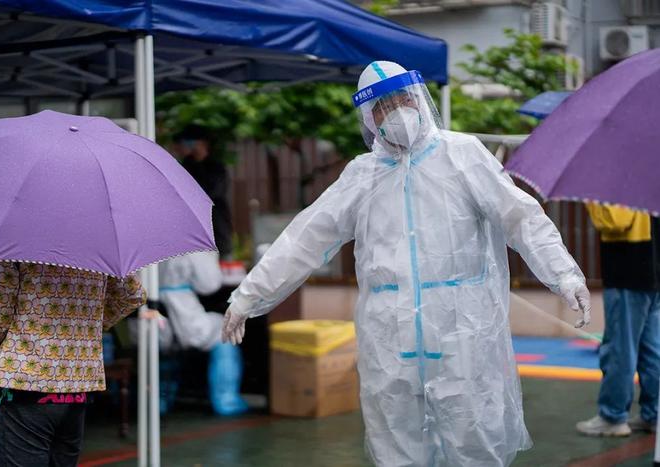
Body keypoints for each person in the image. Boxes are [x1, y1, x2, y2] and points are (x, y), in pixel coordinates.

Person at [222, 61, 591, 467]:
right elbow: (305, 239)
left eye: (402, 99)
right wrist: (247, 298)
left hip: (461, 333)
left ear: (419, 100)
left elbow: (520, 217)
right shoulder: (362, 176)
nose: (395, 111)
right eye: (382, 106)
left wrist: (564, 274)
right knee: (395, 445)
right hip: (389, 340)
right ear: (369, 118)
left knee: (474, 440)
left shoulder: (461, 155)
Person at [0, 262, 146, 467]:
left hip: (24, 378)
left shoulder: (10, 239)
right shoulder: (99, 237)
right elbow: (132, 294)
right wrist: (85, 327)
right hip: (77, 382)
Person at [576, 204, 660, 436]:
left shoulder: (622, 181)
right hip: (652, 272)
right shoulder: (650, 176)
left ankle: (613, 416)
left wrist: (592, 200)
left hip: (628, 273)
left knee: (620, 348)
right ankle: (653, 414)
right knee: (651, 349)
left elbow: (615, 220)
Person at [157, 251, 248, 416]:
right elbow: (209, 285)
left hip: (148, 325)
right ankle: (226, 400)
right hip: (183, 317)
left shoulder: (140, 243)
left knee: (162, 350)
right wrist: (210, 253)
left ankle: (160, 400)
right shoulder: (188, 242)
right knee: (225, 330)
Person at [173, 125, 233, 259]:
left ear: (203, 143)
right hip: (191, 236)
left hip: (217, 230)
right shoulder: (184, 166)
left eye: (191, 142)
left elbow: (213, 194)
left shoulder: (217, 168)